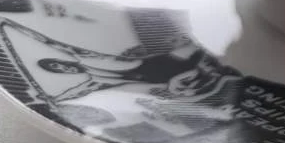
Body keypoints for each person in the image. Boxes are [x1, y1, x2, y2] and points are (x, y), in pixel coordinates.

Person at [11, 22, 218, 102]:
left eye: (56, 63)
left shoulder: (95, 59)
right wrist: (49, 99)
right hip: (182, 81)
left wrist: (9, 24)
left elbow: (50, 42)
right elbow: (77, 92)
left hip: (178, 66)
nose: (62, 67)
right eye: (57, 69)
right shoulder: (98, 80)